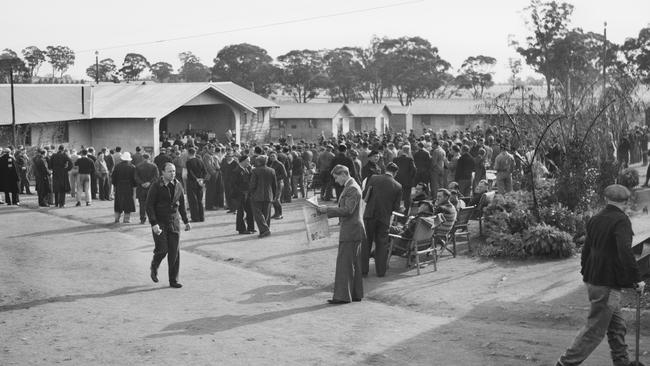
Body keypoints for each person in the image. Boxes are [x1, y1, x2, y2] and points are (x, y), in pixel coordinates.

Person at [557, 184, 644, 366]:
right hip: (607, 282)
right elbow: (625, 252)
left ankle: (622, 362)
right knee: (594, 330)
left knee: (617, 326)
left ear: (606, 199)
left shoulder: (595, 218)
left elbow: (586, 249)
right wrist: (636, 279)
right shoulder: (621, 221)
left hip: (594, 278)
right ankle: (565, 363)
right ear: (626, 202)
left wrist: (585, 271)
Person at [316, 165, 364, 304]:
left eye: (336, 177)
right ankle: (354, 294)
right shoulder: (351, 186)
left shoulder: (352, 188)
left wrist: (327, 210)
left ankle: (342, 296)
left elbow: (347, 210)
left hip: (351, 230)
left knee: (345, 263)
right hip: (353, 229)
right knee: (353, 263)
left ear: (344, 174)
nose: (336, 181)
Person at [146, 162, 191, 289]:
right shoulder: (156, 186)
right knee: (162, 249)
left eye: (174, 171)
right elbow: (149, 206)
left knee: (174, 251)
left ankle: (173, 280)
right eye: (170, 171)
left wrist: (186, 221)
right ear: (163, 172)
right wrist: (153, 223)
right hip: (159, 222)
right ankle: (154, 265)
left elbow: (181, 204)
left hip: (174, 221)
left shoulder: (178, 185)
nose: (172, 173)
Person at [361, 162, 402, 277]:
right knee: (382, 244)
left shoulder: (373, 178)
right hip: (384, 218)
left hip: (370, 214)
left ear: (386, 169)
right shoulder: (398, 186)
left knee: (366, 243)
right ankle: (381, 271)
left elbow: (365, 195)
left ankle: (364, 270)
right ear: (395, 173)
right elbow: (396, 207)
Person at [250, 155, 277, 238]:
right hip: (269, 195)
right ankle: (265, 230)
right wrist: (274, 195)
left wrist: (251, 193)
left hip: (257, 195)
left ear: (259, 162)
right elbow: (274, 185)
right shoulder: (271, 170)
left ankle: (265, 230)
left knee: (258, 214)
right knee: (266, 214)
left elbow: (252, 184)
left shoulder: (255, 171)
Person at [232, 155, 255, 234]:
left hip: (247, 193)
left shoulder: (248, 169)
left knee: (250, 210)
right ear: (243, 161)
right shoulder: (237, 170)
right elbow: (234, 184)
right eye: (248, 161)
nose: (249, 162)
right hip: (240, 194)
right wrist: (240, 192)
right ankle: (241, 229)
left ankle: (251, 227)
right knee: (240, 212)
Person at [111, 151, 137, 223]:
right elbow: (135, 179)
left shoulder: (117, 166)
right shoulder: (132, 167)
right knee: (128, 203)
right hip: (129, 187)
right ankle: (126, 219)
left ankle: (117, 218)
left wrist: (115, 185)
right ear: (129, 159)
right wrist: (135, 186)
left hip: (119, 186)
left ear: (122, 159)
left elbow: (113, 177)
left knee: (118, 202)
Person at [135, 153, 159, 224]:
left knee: (142, 204)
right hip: (151, 188)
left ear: (143, 158)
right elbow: (156, 177)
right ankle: (152, 219)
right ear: (149, 158)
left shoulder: (138, 166)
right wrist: (149, 182)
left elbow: (136, 177)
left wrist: (142, 183)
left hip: (141, 188)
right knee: (152, 204)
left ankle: (142, 219)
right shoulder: (154, 166)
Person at [185, 147, 207, 222]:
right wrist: (201, 179)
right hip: (200, 183)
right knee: (200, 200)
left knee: (193, 200)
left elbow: (190, 172)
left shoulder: (188, 162)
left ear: (188, 153)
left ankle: (195, 217)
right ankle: (202, 217)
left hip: (192, 182)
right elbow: (205, 172)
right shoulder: (200, 161)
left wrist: (196, 179)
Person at [393, 145, 417, 210]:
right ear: (409, 151)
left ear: (402, 150)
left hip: (397, 182)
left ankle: (396, 211)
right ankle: (405, 213)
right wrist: (410, 178)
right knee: (406, 198)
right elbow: (414, 171)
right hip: (407, 183)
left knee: (397, 197)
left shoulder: (395, 159)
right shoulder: (410, 159)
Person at [268, 151, 287, 219]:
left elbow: (285, 175)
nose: (272, 157)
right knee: (273, 199)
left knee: (277, 199)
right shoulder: (272, 163)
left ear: (276, 156)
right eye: (270, 156)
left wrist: (276, 178)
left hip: (279, 183)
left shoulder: (280, 164)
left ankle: (280, 214)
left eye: (273, 156)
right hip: (273, 184)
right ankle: (276, 213)